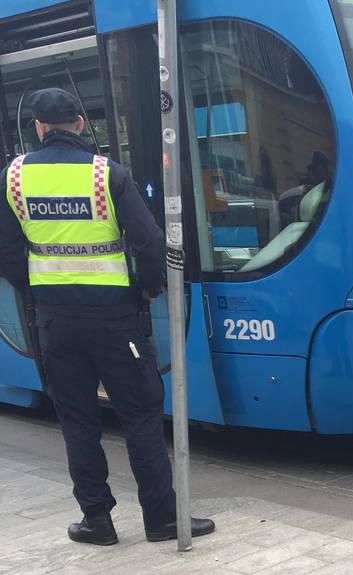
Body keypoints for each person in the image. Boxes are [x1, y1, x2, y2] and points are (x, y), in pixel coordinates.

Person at [0, 88, 215, 546]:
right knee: (139, 415)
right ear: (80, 123)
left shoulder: (12, 178)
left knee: (77, 421)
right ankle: (162, 520)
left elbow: (6, 250)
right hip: (115, 317)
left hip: (55, 320)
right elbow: (152, 244)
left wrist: (37, 289)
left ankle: (97, 520)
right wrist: (145, 291)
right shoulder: (107, 175)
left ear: (37, 126)